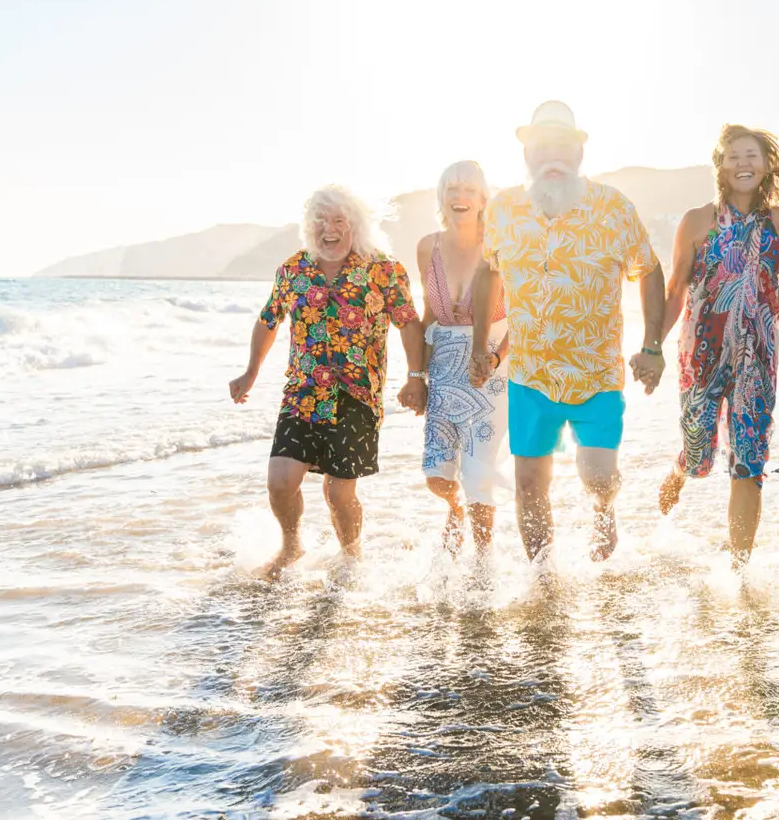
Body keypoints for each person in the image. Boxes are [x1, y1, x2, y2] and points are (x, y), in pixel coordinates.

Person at [469, 101, 666, 563]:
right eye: (540, 147)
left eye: (562, 145)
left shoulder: (613, 208)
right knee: (528, 483)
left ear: (579, 153)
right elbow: (487, 272)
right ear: (526, 154)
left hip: (595, 373)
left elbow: (649, 270)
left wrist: (652, 346)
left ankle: (604, 510)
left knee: (597, 477)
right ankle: (544, 579)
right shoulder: (502, 210)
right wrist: (481, 346)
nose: (551, 156)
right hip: (529, 375)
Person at [229, 186, 426, 577]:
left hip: (357, 395)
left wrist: (415, 377)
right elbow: (269, 320)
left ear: (356, 226)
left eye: (339, 221)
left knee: (339, 492)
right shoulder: (293, 270)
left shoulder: (383, 270)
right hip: (302, 393)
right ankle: (291, 547)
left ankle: (351, 556)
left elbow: (409, 323)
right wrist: (250, 372)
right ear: (309, 227)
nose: (329, 230)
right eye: (321, 221)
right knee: (280, 482)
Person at [656, 125, 779, 566]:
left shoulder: (778, 221)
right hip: (702, 352)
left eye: (752, 155)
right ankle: (681, 468)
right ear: (720, 166)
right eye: (733, 156)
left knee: (750, 459)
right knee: (698, 452)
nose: (743, 163)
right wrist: (653, 347)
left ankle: (739, 570)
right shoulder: (696, 220)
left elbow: (767, 284)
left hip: (758, 356)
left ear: (766, 166)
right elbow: (675, 291)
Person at [415, 160, 511, 556]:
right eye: (452, 189)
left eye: (469, 190)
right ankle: (454, 510)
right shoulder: (427, 247)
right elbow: (428, 314)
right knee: (436, 475)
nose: (460, 197)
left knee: (478, 473)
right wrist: (417, 375)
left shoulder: (501, 244)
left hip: (492, 365)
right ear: (441, 197)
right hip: (442, 367)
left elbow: (523, 318)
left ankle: (484, 562)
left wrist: (492, 359)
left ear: (482, 198)